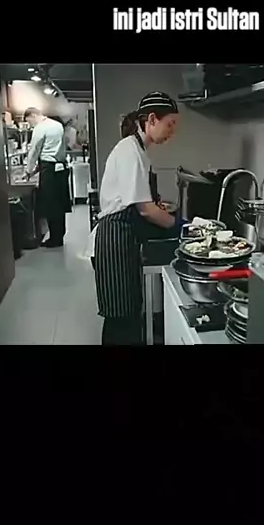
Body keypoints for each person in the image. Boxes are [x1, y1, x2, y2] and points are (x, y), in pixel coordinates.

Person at [93, 91, 182, 346]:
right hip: (115, 238)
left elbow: (141, 202)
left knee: (128, 312)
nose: (172, 131)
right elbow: (144, 210)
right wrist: (181, 226)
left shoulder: (139, 150)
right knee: (120, 318)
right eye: (170, 124)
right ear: (152, 119)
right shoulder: (129, 150)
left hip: (125, 236)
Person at [25, 107, 71, 248]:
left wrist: (28, 170)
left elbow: (34, 151)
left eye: (29, 122)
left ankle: (54, 239)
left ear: (33, 115)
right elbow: (56, 149)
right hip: (60, 168)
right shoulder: (57, 125)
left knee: (50, 204)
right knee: (59, 205)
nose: (31, 125)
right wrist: (35, 170)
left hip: (49, 170)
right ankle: (59, 236)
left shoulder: (40, 128)